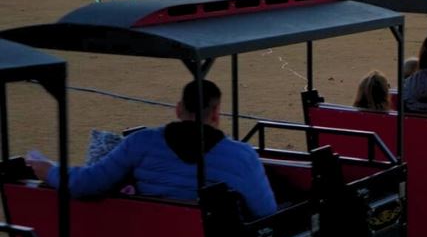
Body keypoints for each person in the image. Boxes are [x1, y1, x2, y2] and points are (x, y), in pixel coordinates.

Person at [27, 80, 277, 219]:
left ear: (178, 109)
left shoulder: (141, 142)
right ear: (215, 114)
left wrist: (50, 170)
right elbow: (267, 213)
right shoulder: (242, 156)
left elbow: (87, 182)